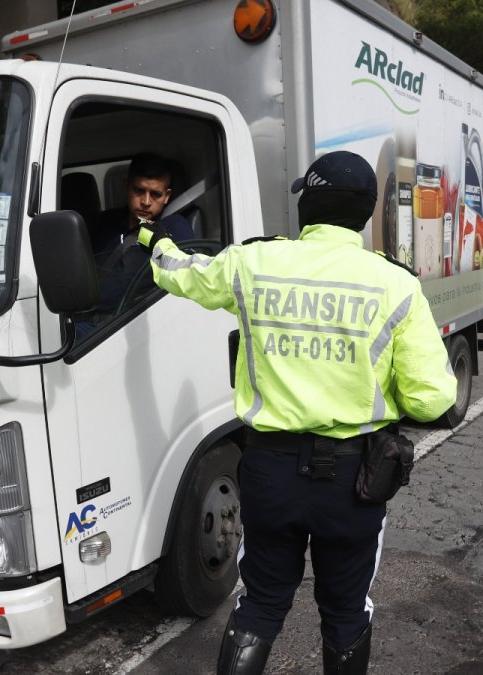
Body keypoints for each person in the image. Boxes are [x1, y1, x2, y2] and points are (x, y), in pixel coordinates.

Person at [136, 151, 457, 674]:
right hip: (356, 481)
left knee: (260, 605)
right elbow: (433, 400)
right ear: (364, 214)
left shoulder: (254, 262)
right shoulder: (396, 284)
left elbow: (180, 273)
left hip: (269, 472)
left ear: (308, 204)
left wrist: (154, 238)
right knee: (347, 611)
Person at [77, 154, 194, 337]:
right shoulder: (105, 223)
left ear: (167, 196)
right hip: (88, 322)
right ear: (126, 187)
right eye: (139, 190)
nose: (146, 202)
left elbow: (186, 275)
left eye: (156, 194)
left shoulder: (173, 227)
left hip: (134, 325)